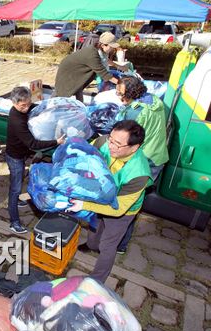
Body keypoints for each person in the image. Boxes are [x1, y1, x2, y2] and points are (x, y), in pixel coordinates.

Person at [68, 120, 152, 284]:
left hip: (123, 210)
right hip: (100, 195)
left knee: (108, 244)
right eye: (111, 139)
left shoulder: (139, 173)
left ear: (134, 147)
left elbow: (118, 208)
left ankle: (97, 280)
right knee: (95, 225)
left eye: (118, 144)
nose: (111, 146)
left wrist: (84, 204)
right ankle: (92, 245)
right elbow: (87, 155)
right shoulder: (103, 141)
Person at [114, 76, 169, 254]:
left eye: (121, 94)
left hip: (143, 162)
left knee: (127, 203)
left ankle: (120, 244)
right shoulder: (153, 100)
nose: (119, 97)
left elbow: (123, 136)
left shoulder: (136, 112)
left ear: (131, 93)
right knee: (135, 200)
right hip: (157, 156)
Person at [6, 86, 66, 233]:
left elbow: (34, 106)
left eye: (28, 103)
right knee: (15, 188)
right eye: (23, 106)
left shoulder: (25, 107)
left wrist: (50, 106)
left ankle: (18, 201)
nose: (26, 108)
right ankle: (13, 222)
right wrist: (55, 142)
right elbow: (33, 143)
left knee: (20, 179)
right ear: (14, 103)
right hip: (15, 157)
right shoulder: (16, 120)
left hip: (22, 153)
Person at [54, 32, 122, 101]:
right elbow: (105, 74)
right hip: (68, 72)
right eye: (111, 47)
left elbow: (106, 61)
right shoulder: (92, 55)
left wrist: (119, 66)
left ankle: (81, 108)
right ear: (103, 45)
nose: (112, 49)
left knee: (78, 87)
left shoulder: (101, 52)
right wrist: (122, 84)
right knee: (61, 93)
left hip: (77, 73)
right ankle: (48, 107)